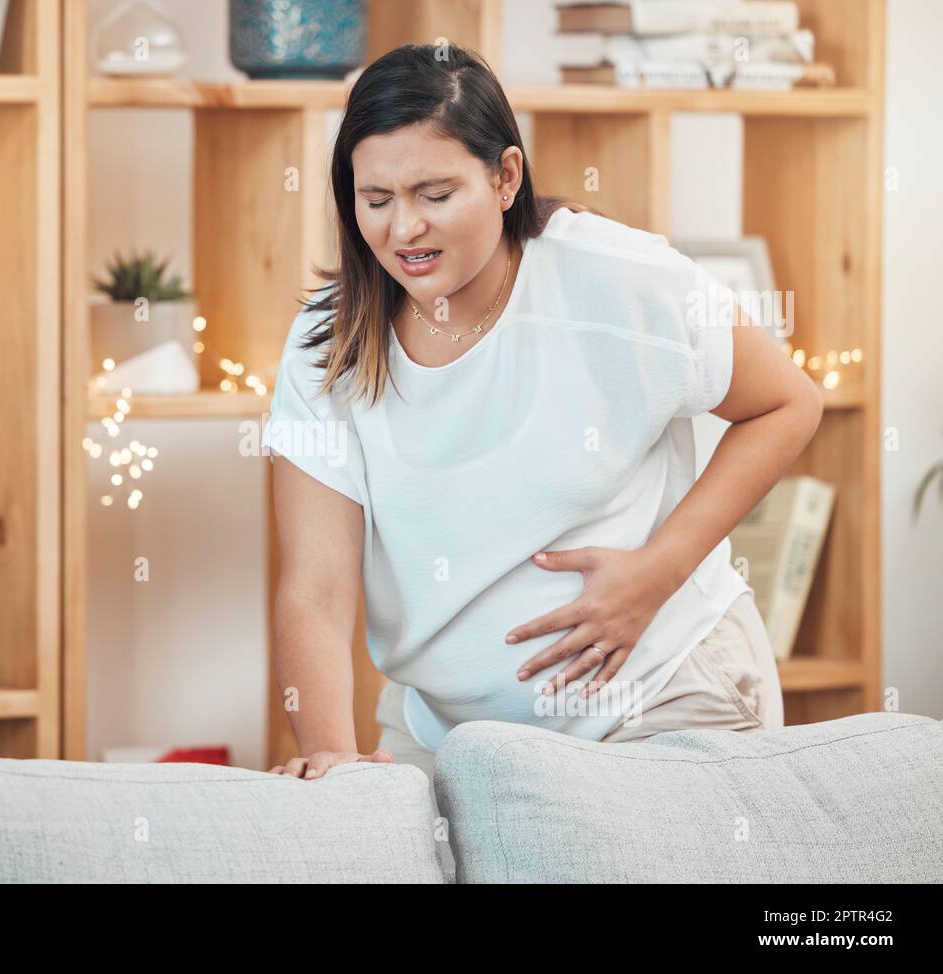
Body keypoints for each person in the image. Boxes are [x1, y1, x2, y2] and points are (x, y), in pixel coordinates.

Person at [263, 44, 817, 801]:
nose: (404, 229)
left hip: (659, 694)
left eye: (434, 192)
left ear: (505, 177)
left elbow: (787, 403)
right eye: (377, 198)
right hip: (444, 731)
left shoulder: (615, 280)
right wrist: (330, 756)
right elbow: (315, 591)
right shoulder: (327, 345)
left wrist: (658, 571)